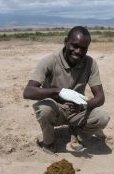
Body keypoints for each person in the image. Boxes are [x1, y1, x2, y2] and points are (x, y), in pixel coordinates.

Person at [23, 26, 109, 154]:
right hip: (55, 110)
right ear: (65, 41)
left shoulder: (90, 63)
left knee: (102, 117)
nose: (78, 51)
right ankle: (49, 141)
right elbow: (28, 92)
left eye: (83, 48)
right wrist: (58, 91)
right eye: (74, 46)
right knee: (44, 110)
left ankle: (77, 135)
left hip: (77, 110)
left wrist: (84, 105)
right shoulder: (50, 61)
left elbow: (100, 97)